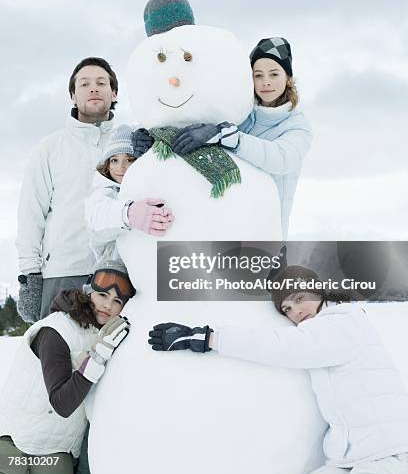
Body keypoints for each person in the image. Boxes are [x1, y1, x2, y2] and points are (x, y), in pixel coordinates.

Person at [148, 266, 408, 474]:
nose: (296, 312)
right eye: (287, 308)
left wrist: (209, 338)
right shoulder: (326, 328)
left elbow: (282, 347)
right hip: (352, 457)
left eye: (299, 298)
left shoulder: (342, 321)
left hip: (389, 454)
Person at [0, 259, 134, 474]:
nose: (108, 305)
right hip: (13, 442)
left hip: (56, 449)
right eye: (103, 295)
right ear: (89, 292)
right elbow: (61, 403)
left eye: (117, 300)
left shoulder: (100, 335)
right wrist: (96, 359)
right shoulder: (56, 329)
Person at [170, 37, 312, 239]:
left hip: (266, 236)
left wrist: (231, 138)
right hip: (226, 226)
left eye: (274, 73)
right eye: (258, 75)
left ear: (288, 77)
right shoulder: (241, 114)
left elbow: (281, 159)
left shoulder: (297, 125)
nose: (266, 82)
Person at [16, 57, 119, 321]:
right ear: (73, 96)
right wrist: (30, 276)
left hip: (119, 272)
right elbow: (31, 213)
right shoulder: (50, 147)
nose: (93, 88)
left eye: (101, 83)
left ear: (114, 93)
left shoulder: (128, 144)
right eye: (84, 84)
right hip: (64, 271)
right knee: (59, 357)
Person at [85, 124, 174, 261]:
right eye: (114, 160)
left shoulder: (146, 186)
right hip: (113, 273)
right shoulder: (104, 192)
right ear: (107, 165)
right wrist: (127, 213)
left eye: (129, 160)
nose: (120, 167)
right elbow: (96, 219)